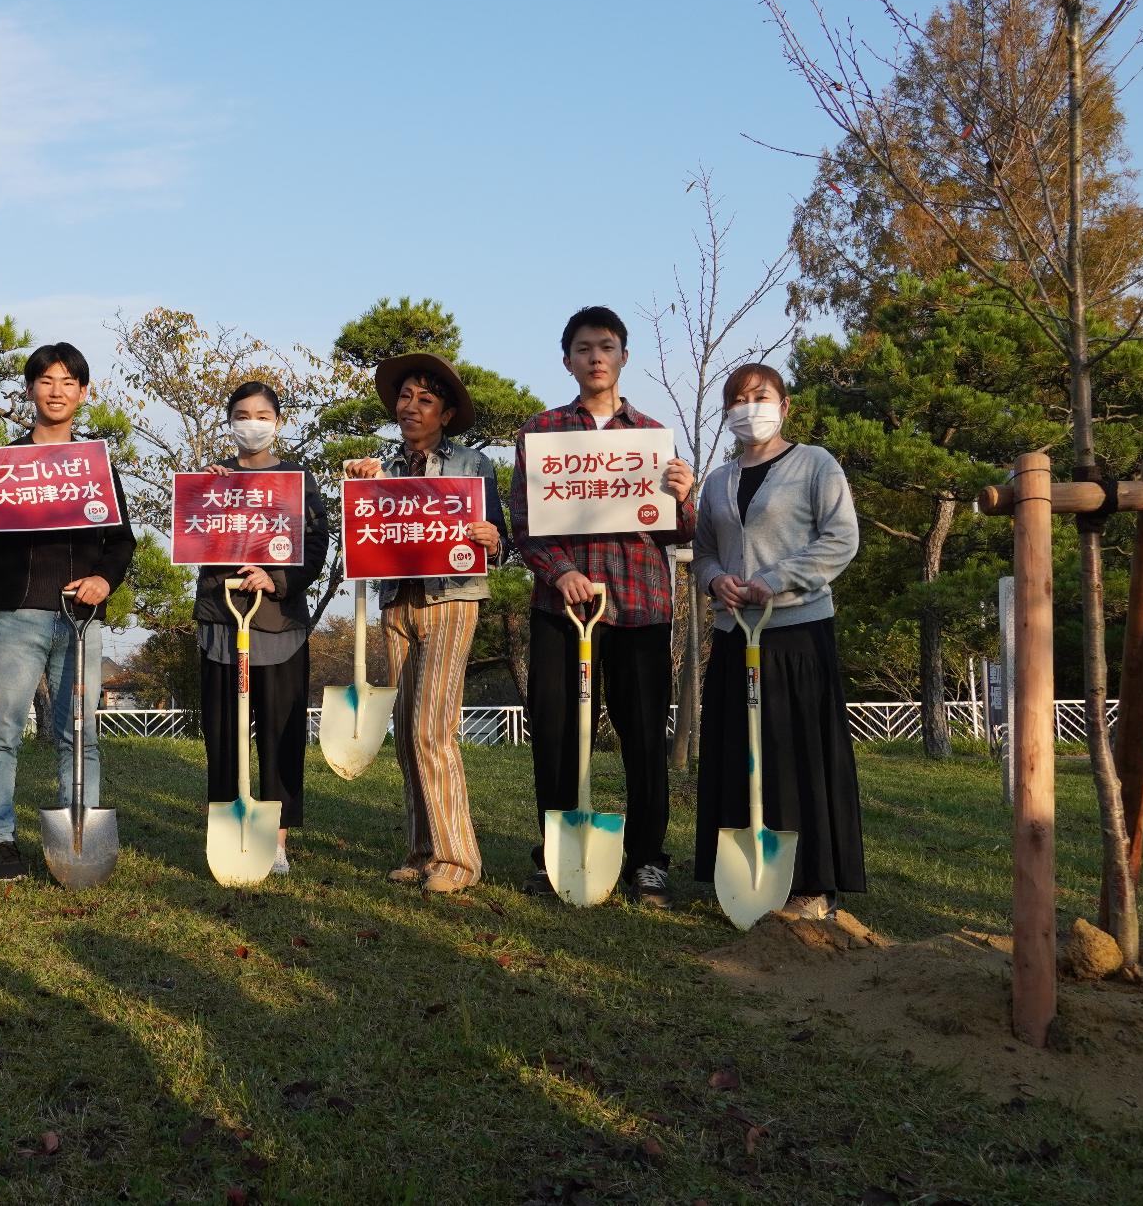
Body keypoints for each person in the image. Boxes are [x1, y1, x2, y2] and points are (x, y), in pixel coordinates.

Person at [511, 306, 694, 907]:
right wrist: (559, 572)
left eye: (607, 346)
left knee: (643, 738)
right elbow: (525, 523)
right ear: (567, 359)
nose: (596, 357)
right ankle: (556, 853)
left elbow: (678, 534)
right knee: (560, 736)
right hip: (560, 611)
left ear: (622, 357)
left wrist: (683, 498)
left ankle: (647, 861)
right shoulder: (541, 434)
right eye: (584, 347)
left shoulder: (651, 437)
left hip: (640, 609)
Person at [691, 363, 864, 918]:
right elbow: (704, 550)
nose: (750, 407)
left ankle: (812, 884)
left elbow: (841, 539)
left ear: (785, 404)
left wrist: (775, 580)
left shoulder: (815, 464)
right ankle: (741, 879)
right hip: (732, 631)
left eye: (760, 396)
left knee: (797, 754)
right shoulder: (718, 480)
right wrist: (717, 579)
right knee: (738, 753)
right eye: (737, 400)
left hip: (795, 633)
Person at [0, 343, 135, 881]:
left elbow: (120, 541)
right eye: (46, 380)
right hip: (16, 615)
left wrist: (105, 579)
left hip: (82, 619)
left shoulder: (96, 465)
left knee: (80, 733)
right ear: (30, 389)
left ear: (84, 393)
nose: (56, 391)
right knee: (1, 729)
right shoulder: (2, 465)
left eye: (68, 382)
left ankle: (80, 832)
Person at [343, 352, 507, 894]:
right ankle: (421, 849)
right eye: (405, 397)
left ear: (446, 413)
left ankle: (458, 860)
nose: (411, 408)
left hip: (452, 599)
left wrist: (491, 539)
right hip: (396, 602)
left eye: (426, 400)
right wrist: (360, 480)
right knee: (408, 730)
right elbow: (364, 526)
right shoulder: (381, 463)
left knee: (432, 728)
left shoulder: (472, 466)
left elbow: (498, 539)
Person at [195, 381, 330, 874]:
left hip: (278, 623)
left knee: (281, 734)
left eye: (261, 415)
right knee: (223, 734)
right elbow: (191, 536)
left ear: (277, 423)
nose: (251, 423)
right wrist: (201, 493)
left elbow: (316, 546)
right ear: (229, 421)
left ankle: (276, 841)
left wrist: (275, 580)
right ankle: (229, 832)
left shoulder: (298, 480)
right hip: (220, 617)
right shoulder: (213, 478)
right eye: (241, 414)